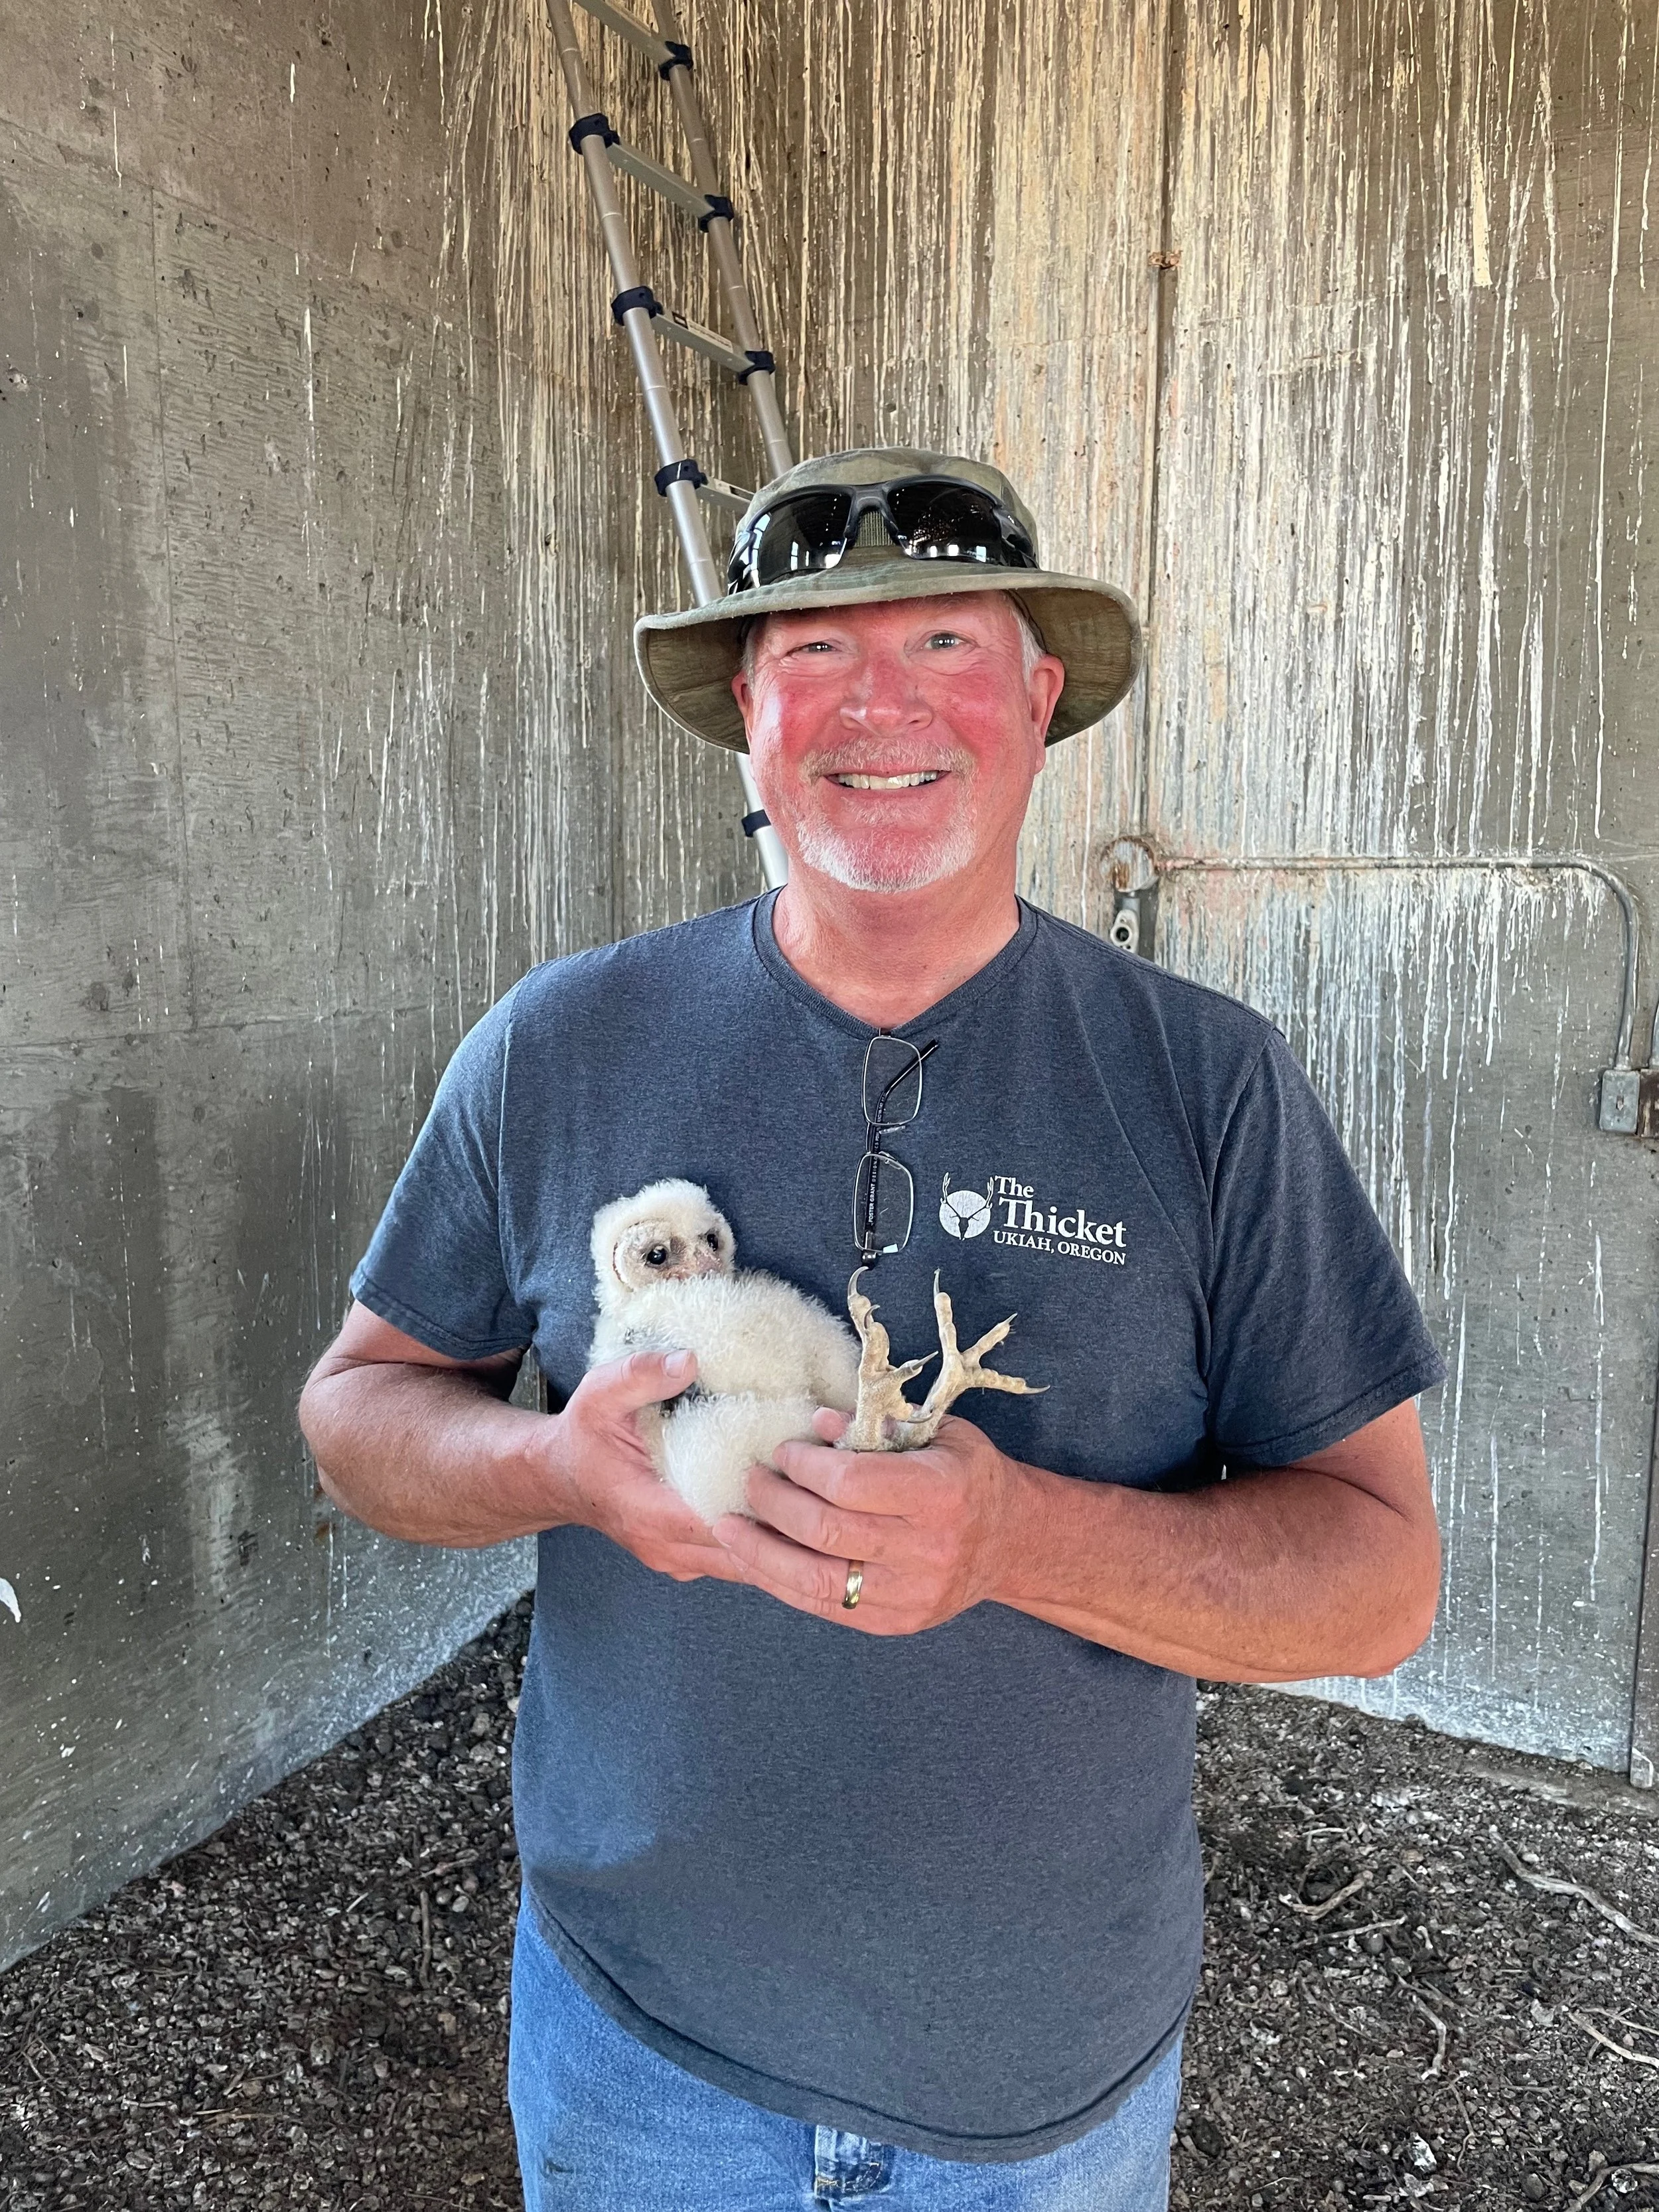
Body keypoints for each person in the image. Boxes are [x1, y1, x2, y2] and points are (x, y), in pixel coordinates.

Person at [299, 447, 1445, 2211]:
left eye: (941, 642)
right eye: (815, 653)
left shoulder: (1205, 1086)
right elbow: (359, 1414)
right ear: (745, 709)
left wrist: (1014, 1533)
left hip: (1046, 2089)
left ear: (1038, 695)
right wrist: (555, 1468)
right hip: (640, 2061)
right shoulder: (559, 1044)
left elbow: (1376, 1583)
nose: (878, 703)